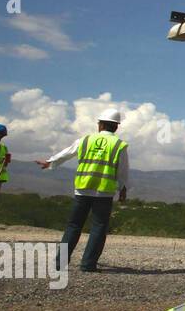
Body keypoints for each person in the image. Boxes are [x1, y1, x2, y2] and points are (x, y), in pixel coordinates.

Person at [39, 106, 129, 273]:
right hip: (104, 192)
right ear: (116, 126)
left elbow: (67, 153)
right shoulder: (119, 145)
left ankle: (59, 264)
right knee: (99, 227)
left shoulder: (85, 140)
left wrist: (50, 162)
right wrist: (123, 189)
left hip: (83, 189)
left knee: (73, 226)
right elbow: (123, 170)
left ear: (100, 125)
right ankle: (88, 265)